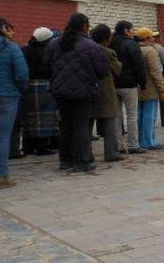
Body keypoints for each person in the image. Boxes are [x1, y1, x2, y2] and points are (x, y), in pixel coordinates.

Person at [46, 13, 110, 172]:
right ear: (85, 26)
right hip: (85, 92)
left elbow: (46, 64)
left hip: (60, 91)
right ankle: (82, 160)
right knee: (81, 126)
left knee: (66, 125)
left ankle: (65, 159)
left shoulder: (54, 43)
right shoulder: (91, 46)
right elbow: (102, 71)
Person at [0, 16, 29, 189]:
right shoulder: (12, 48)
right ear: (2, 29)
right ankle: (0, 177)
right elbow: (22, 74)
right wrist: (19, 89)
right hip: (7, 97)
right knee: (1, 138)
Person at [21, 27, 58, 155]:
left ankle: (28, 147)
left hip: (29, 85)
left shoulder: (25, 50)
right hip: (46, 85)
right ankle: (43, 147)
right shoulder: (49, 51)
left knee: (30, 117)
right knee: (46, 117)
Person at [111, 21, 147, 154]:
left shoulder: (111, 43)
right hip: (129, 85)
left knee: (116, 116)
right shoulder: (131, 44)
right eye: (132, 29)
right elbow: (138, 65)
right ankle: (133, 145)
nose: (134, 31)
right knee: (132, 115)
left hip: (113, 84)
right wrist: (142, 83)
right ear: (126, 30)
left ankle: (118, 146)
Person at [91, 24, 124, 162]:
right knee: (109, 121)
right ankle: (111, 152)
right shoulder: (109, 52)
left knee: (87, 123)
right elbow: (118, 69)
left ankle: (86, 154)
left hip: (90, 89)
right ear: (106, 38)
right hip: (106, 90)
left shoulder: (88, 49)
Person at [137, 28, 164, 150]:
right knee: (150, 115)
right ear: (146, 38)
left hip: (139, 88)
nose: (153, 39)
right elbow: (156, 72)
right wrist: (162, 89)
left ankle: (141, 139)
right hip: (150, 88)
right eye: (151, 37)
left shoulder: (136, 49)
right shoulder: (150, 51)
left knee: (140, 115)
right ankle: (149, 141)